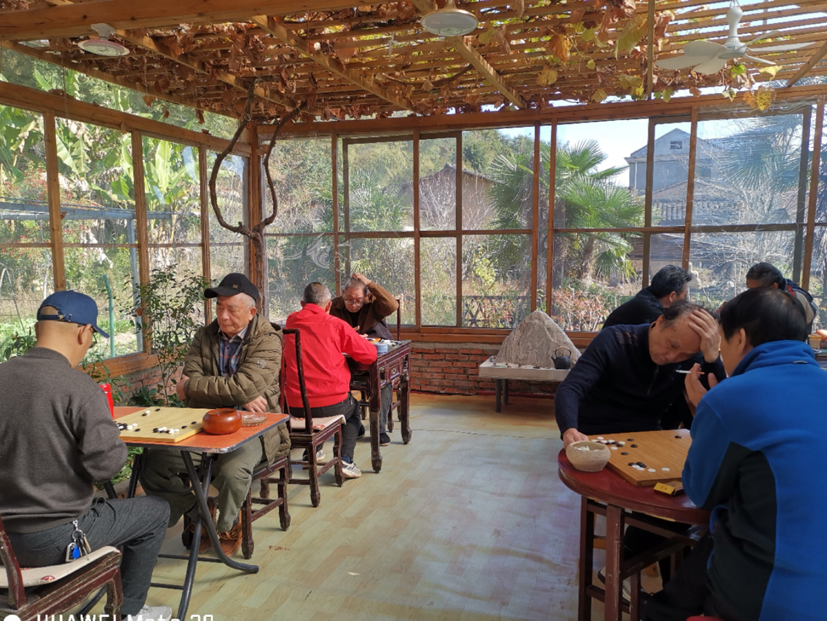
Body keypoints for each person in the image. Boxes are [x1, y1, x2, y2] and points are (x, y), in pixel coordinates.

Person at [644, 287, 827, 621]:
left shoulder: (730, 397)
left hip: (773, 595)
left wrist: (706, 410)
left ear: (739, 338)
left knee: (668, 604)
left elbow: (701, 493)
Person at [0, 291, 171, 621]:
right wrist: (110, 436)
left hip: (3, 541)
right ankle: (129, 613)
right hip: (52, 540)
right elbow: (106, 467)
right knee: (155, 510)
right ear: (83, 332)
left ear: (38, 329)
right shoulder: (77, 387)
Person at [140, 273, 290, 557]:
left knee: (233, 472)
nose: (222, 316)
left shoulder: (268, 339)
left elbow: (205, 386)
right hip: (204, 423)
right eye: (219, 307)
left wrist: (197, 387)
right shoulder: (204, 336)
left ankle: (225, 525)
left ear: (251, 312)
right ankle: (199, 511)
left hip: (253, 426)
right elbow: (222, 389)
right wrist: (238, 394)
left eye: (231, 309)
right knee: (153, 462)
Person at [556, 301, 725, 445]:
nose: (672, 357)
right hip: (594, 432)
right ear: (660, 321)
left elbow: (721, 402)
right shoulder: (616, 340)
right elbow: (571, 388)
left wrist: (712, 358)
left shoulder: (693, 357)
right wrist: (569, 428)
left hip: (649, 435)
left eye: (685, 354)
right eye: (672, 345)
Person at [284, 282, 378, 479]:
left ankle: (312, 451)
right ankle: (346, 460)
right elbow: (369, 355)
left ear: (302, 304)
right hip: (332, 404)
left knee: (318, 408)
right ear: (328, 305)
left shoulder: (290, 322)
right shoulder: (335, 324)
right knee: (353, 410)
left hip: (295, 406)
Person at [329, 273, 399, 447]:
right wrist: (348, 336)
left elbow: (392, 305)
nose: (354, 305)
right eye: (349, 300)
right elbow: (327, 330)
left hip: (376, 356)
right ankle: (354, 425)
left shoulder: (374, 304)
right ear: (343, 294)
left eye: (358, 301)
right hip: (347, 358)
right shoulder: (334, 306)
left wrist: (369, 283)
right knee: (334, 379)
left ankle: (379, 430)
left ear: (366, 296)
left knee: (383, 381)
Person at [603, 265, 691, 328]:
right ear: (672, 296)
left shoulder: (647, 296)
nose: (685, 301)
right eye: (684, 296)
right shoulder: (652, 313)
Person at [745, 261, 817, 331]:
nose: (751, 295)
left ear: (774, 286)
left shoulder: (793, 298)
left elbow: (790, 330)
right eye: (749, 289)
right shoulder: (759, 297)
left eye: (756, 291)